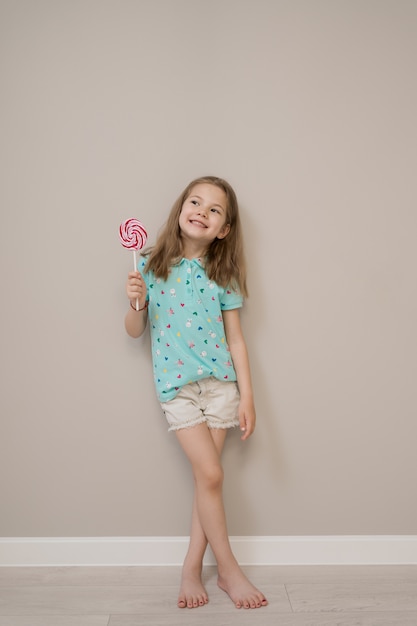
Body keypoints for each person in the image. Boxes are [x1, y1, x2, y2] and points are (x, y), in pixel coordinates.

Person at [124, 176, 267, 610]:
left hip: (221, 386)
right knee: (211, 476)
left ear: (223, 228)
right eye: (195, 201)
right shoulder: (149, 265)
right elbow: (134, 332)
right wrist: (135, 302)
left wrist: (246, 396)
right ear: (181, 208)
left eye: (214, 209)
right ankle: (228, 569)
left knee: (208, 480)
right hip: (178, 389)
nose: (202, 211)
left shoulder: (223, 274)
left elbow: (237, 340)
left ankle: (191, 565)